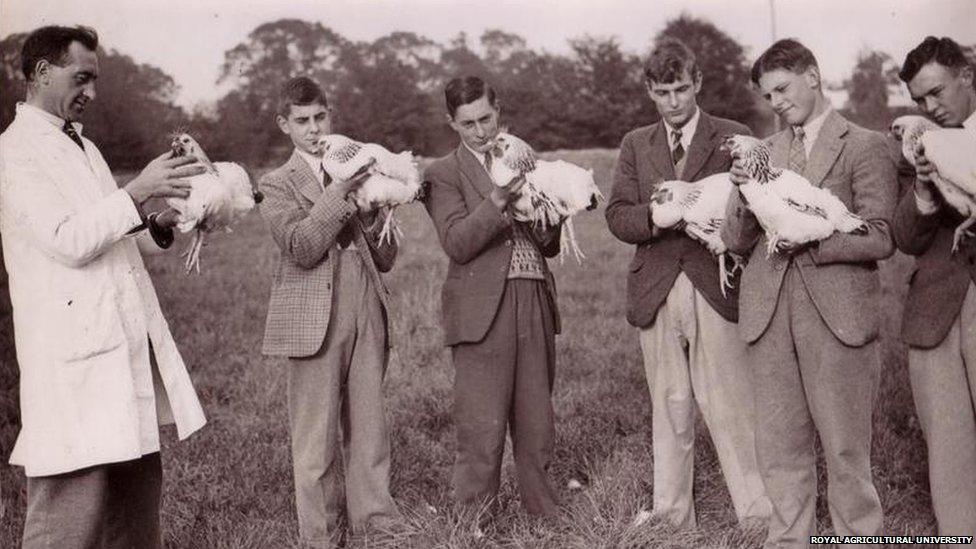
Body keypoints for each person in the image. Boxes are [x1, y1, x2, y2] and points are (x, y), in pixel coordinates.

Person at [0, 25, 208, 548]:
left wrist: (160, 219)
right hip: (74, 363)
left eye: (95, 79)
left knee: (135, 517)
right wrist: (138, 189)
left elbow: (115, 232)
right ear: (42, 72)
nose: (91, 92)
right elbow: (67, 240)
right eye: (81, 77)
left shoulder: (84, 148)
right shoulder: (13, 153)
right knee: (69, 518)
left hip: (122, 350)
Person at [721, 39, 896, 548]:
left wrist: (811, 241)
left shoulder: (863, 144)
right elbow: (735, 240)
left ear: (814, 77)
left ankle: (858, 537)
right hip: (768, 314)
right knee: (778, 447)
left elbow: (882, 234)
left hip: (837, 316)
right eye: (768, 95)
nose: (775, 103)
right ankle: (789, 540)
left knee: (845, 450)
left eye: (783, 88)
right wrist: (742, 198)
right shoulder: (764, 152)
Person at [604, 37, 770, 529]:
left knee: (731, 402)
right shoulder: (636, 143)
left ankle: (760, 515)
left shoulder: (732, 135)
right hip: (655, 287)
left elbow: (754, 208)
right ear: (650, 92)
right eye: (661, 92)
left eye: (680, 88)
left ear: (697, 83)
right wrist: (657, 218)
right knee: (670, 403)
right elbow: (616, 215)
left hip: (715, 284)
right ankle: (673, 517)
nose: (673, 101)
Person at [258, 76, 400, 547]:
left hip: (365, 304)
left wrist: (379, 210)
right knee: (315, 439)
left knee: (369, 429)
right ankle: (321, 536)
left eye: (321, 117)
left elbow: (387, 257)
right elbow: (302, 246)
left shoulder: (355, 165)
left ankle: (376, 524)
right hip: (311, 319)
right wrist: (341, 192)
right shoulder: (275, 184)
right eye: (302, 121)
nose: (315, 130)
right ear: (285, 125)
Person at [423, 76, 562, 523]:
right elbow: (458, 242)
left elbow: (550, 243)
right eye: (468, 124)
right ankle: (473, 520)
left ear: (498, 110)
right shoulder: (442, 173)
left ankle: (543, 512)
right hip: (482, 310)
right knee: (481, 425)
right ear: (452, 123)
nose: (481, 131)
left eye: (486, 118)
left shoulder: (523, 156)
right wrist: (500, 198)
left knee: (537, 419)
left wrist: (551, 214)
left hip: (533, 296)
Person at [893, 35, 976, 539]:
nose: (930, 107)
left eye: (937, 92)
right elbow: (904, 237)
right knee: (948, 447)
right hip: (935, 313)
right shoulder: (913, 144)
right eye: (919, 100)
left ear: (966, 76)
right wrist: (923, 189)